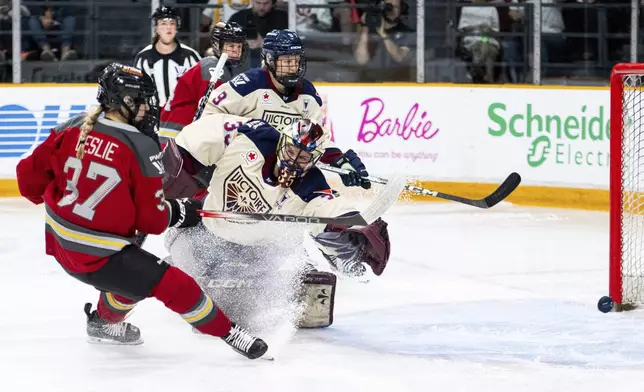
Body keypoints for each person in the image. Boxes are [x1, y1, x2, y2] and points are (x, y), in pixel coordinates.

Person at [14, 63, 268, 360]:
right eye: (143, 101)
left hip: (59, 242)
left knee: (136, 273)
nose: (149, 109)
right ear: (124, 102)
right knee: (172, 283)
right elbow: (152, 220)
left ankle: (104, 325)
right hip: (99, 257)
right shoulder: (142, 146)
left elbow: (27, 181)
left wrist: (63, 203)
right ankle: (230, 332)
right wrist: (181, 212)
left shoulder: (74, 124)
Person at [162, 114, 391, 331]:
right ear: (282, 141)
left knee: (236, 319)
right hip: (205, 232)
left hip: (251, 251)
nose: (292, 161)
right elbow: (210, 130)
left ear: (314, 161)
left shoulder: (312, 186)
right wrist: (179, 164)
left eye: (302, 158)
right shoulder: (253, 135)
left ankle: (277, 288)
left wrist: (353, 227)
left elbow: (329, 209)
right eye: (291, 150)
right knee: (182, 272)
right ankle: (174, 267)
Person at [203, 29, 372, 191]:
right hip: (243, 164)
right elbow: (210, 115)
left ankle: (332, 210)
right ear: (270, 60)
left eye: (296, 61)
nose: (293, 67)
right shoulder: (248, 84)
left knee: (312, 176)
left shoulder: (307, 93)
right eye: (287, 61)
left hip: (282, 169)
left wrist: (340, 161)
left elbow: (317, 136)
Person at [159, 21, 248, 143]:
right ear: (218, 45)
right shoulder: (213, 68)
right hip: (178, 135)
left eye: (239, 47)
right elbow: (212, 109)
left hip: (176, 132)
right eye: (231, 46)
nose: (235, 51)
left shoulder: (217, 66)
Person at [134, 6, 201, 107]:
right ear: (156, 27)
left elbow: (201, 87)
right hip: (153, 116)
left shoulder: (190, 56)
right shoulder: (143, 58)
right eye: (163, 23)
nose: (168, 27)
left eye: (172, 23)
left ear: (177, 27)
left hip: (182, 114)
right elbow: (137, 90)